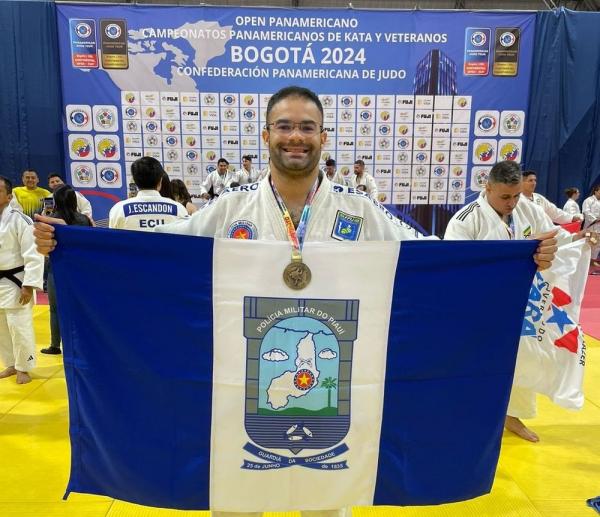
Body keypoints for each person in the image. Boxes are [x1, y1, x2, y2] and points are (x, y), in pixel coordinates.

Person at [33, 86, 559, 515]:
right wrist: (76, 244)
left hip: (338, 404)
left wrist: (513, 260)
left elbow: (434, 260)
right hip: (235, 401)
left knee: (327, 507)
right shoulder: (229, 212)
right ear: (266, 135)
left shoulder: (360, 214)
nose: (295, 137)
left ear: (323, 137)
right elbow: (155, 255)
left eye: (307, 127)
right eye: (284, 125)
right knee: (234, 502)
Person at [444, 160, 595, 443]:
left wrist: (580, 237)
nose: (511, 202)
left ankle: (512, 416)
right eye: (504, 197)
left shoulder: (528, 208)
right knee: (475, 364)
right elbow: (455, 268)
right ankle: (469, 418)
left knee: (522, 358)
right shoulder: (466, 221)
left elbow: (556, 237)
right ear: (487, 187)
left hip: (522, 302)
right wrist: (520, 252)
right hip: (480, 306)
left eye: (515, 195)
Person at [0, 176, 44, 384]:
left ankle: (24, 368)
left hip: (16, 281)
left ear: (9, 197)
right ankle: (10, 363)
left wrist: (28, 285)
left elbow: (33, 254)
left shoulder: (20, 220)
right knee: (1, 327)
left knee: (19, 326)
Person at [41, 185, 93, 355]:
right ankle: (83, 343)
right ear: (74, 200)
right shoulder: (84, 220)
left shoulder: (50, 220)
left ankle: (55, 345)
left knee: (55, 309)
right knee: (81, 307)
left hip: (55, 270)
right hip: (80, 269)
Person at [108, 157, 188, 231]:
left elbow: (113, 243)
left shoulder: (118, 210)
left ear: (135, 182)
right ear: (160, 182)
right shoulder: (179, 210)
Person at [582, 185, 600, 267]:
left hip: (598, 228)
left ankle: (592, 261)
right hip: (589, 227)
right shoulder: (588, 200)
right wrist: (595, 219)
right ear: (596, 191)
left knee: (597, 244)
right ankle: (584, 261)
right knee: (588, 243)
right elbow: (586, 211)